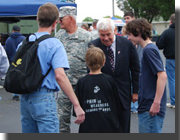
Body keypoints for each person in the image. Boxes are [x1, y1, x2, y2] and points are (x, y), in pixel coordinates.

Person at [18, 3, 85, 133]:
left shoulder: (24, 42)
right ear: (55, 23)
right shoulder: (54, 44)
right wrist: (76, 104)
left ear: (37, 19)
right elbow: (60, 75)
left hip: (25, 98)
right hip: (43, 97)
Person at [89, 18, 140, 133]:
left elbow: (135, 68)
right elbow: (90, 71)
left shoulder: (127, 44)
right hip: (102, 95)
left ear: (115, 30)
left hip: (123, 93)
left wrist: (135, 91)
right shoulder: (93, 46)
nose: (106, 38)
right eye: (102, 35)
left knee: (123, 126)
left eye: (108, 34)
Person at [55, 6, 92, 133]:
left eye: (62, 19)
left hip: (83, 85)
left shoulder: (87, 36)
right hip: (64, 85)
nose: (59, 22)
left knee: (89, 117)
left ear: (71, 18)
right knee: (61, 119)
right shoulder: (58, 36)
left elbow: (93, 59)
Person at [126, 18, 167, 133]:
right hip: (147, 105)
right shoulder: (148, 49)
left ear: (138, 32)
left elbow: (162, 75)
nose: (128, 38)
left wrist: (156, 103)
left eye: (129, 34)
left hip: (150, 107)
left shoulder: (148, 50)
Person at [74, 46, 123, 133]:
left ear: (86, 63)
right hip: (109, 124)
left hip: (88, 126)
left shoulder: (82, 82)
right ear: (103, 62)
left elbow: (78, 104)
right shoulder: (109, 80)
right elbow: (117, 103)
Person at [124, 11, 143, 113]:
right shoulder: (126, 30)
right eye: (125, 18)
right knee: (130, 82)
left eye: (128, 18)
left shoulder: (137, 29)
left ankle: (136, 105)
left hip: (138, 60)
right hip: (129, 61)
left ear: (132, 18)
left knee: (137, 82)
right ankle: (132, 105)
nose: (126, 20)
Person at [156, 13, 175, 109]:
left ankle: (174, 101)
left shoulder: (167, 32)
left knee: (172, 80)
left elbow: (159, 45)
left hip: (171, 58)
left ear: (170, 22)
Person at [5, 25, 25, 101]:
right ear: (19, 30)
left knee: (13, 77)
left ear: (13, 30)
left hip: (12, 61)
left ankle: (15, 94)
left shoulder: (8, 40)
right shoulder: (23, 39)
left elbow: (7, 51)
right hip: (21, 61)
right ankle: (22, 92)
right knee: (22, 76)